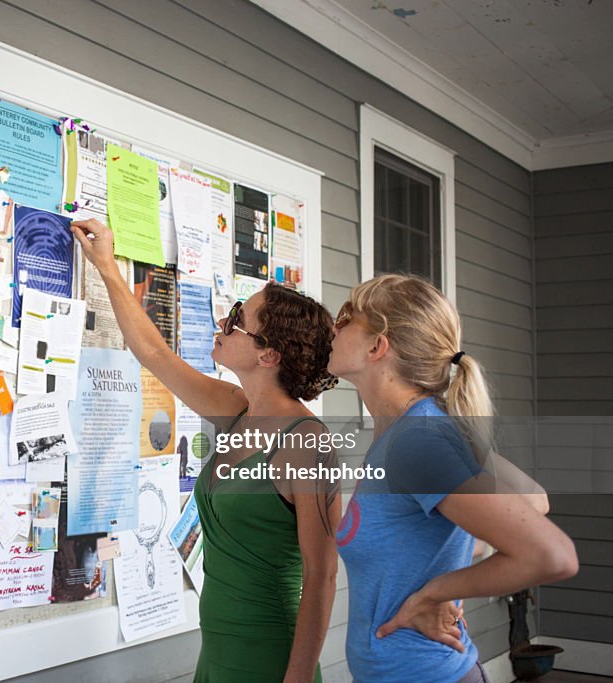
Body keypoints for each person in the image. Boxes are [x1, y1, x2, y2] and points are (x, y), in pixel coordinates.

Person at [72, 218, 341, 683]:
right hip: (214, 651)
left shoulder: (307, 444)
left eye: (238, 320)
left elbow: (322, 578)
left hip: (269, 658)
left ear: (268, 356)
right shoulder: (236, 409)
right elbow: (155, 354)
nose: (224, 322)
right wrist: (107, 267)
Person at [328, 274, 578, 683]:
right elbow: (533, 498)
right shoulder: (418, 429)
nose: (333, 329)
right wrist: (457, 559)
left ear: (377, 345)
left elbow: (552, 554)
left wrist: (436, 591)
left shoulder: (418, 442)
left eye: (345, 318)